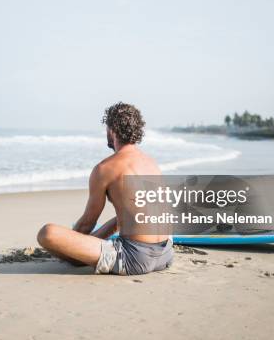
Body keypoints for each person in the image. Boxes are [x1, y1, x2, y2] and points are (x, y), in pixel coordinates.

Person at [37, 102, 173, 275]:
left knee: (47, 233)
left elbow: (87, 223)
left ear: (112, 130)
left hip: (135, 258)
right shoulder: (150, 162)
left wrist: (71, 243)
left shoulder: (104, 169)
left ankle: (78, 254)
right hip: (166, 252)